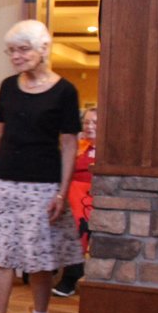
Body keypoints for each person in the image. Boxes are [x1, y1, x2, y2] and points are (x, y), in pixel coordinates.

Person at [0, 20, 83, 313]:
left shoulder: (65, 91)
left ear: (43, 49)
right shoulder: (7, 86)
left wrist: (62, 192)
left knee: (39, 258)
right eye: (12, 51)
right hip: (4, 179)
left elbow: (70, 144)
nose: (16, 57)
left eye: (23, 49)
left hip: (43, 184)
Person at [54, 106, 96, 296]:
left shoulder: (109, 148)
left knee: (80, 219)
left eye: (95, 122)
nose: (90, 126)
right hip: (71, 191)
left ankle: (72, 274)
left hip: (94, 193)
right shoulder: (76, 146)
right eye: (87, 122)